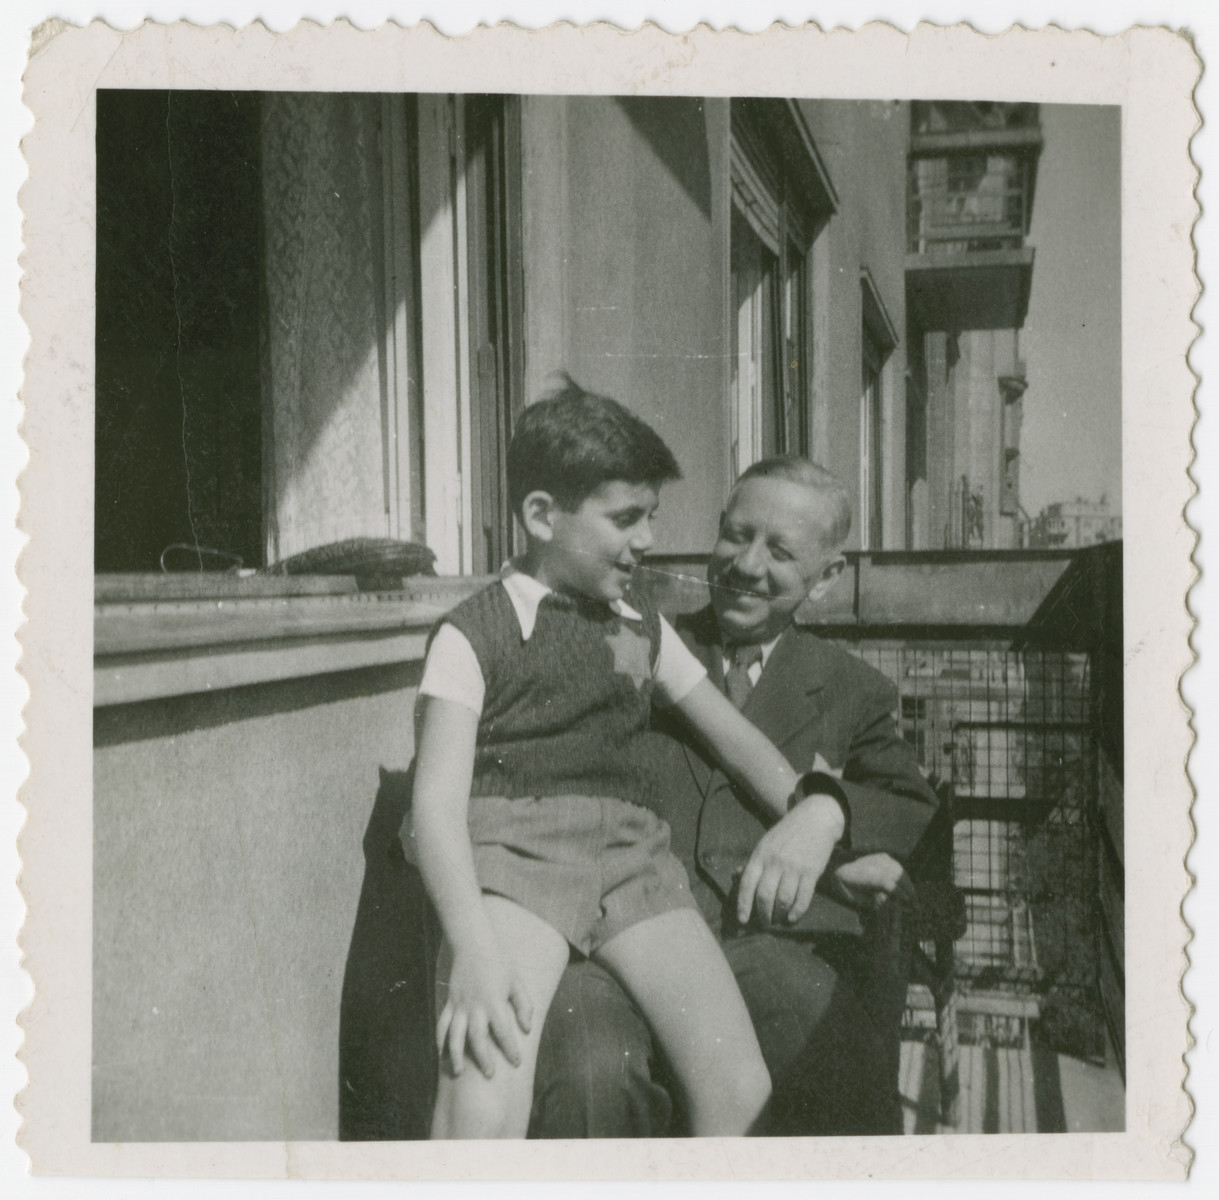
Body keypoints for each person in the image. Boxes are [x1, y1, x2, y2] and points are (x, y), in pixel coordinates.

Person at [411, 383, 816, 1139]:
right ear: (541, 517)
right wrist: (469, 945)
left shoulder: (642, 627)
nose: (647, 540)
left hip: (635, 868)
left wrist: (820, 812)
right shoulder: (472, 635)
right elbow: (433, 807)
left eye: (651, 517)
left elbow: (734, 737)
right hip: (517, 865)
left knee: (739, 1084)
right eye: (625, 518)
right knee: (482, 1089)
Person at [529, 456, 940, 1137]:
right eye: (735, 535)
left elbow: (908, 809)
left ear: (827, 576)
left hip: (766, 947)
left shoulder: (850, 689)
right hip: (616, 944)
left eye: (779, 551)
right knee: (588, 1072)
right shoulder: (635, 642)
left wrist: (826, 810)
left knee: (828, 1052)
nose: (746, 565)